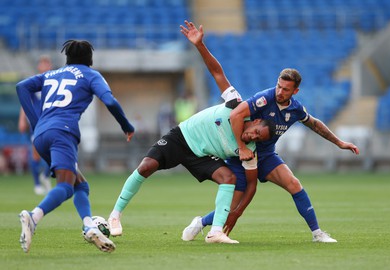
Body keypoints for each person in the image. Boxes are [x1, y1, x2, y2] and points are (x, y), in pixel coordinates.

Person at [180, 21, 360, 243]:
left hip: (267, 155)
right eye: (279, 86)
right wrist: (242, 146)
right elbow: (236, 115)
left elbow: (314, 123)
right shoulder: (263, 99)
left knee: (294, 184)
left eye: (286, 89)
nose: (280, 92)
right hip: (242, 155)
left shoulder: (295, 108)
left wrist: (340, 142)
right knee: (234, 204)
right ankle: (201, 222)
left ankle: (317, 233)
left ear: (295, 91)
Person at [107, 22, 275, 244]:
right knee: (146, 166)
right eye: (256, 132)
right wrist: (200, 45)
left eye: (257, 139)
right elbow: (217, 72)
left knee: (229, 178)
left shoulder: (250, 151)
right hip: (183, 137)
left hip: (201, 155)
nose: (253, 138)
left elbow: (251, 185)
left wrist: (237, 213)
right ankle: (115, 215)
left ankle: (215, 232)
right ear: (254, 121)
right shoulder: (236, 104)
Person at [16, 40, 135, 253]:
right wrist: (126, 125)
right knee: (65, 186)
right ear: (90, 59)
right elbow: (109, 101)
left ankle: (89, 225)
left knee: (81, 185)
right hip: (62, 133)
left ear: (67, 58)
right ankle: (33, 217)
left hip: (41, 136)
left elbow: (22, 86)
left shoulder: (51, 74)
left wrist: (37, 123)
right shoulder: (91, 75)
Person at [18, 55, 53, 195]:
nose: (44, 66)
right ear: (38, 66)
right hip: (36, 122)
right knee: (36, 154)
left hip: (51, 121)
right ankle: (37, 184)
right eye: (42, 63)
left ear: (50, 66)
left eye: (47, 63)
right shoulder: (33, 82)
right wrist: (22, 119)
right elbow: (24, 101)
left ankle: (45, 175)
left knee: (55, 152)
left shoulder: (54, 81)